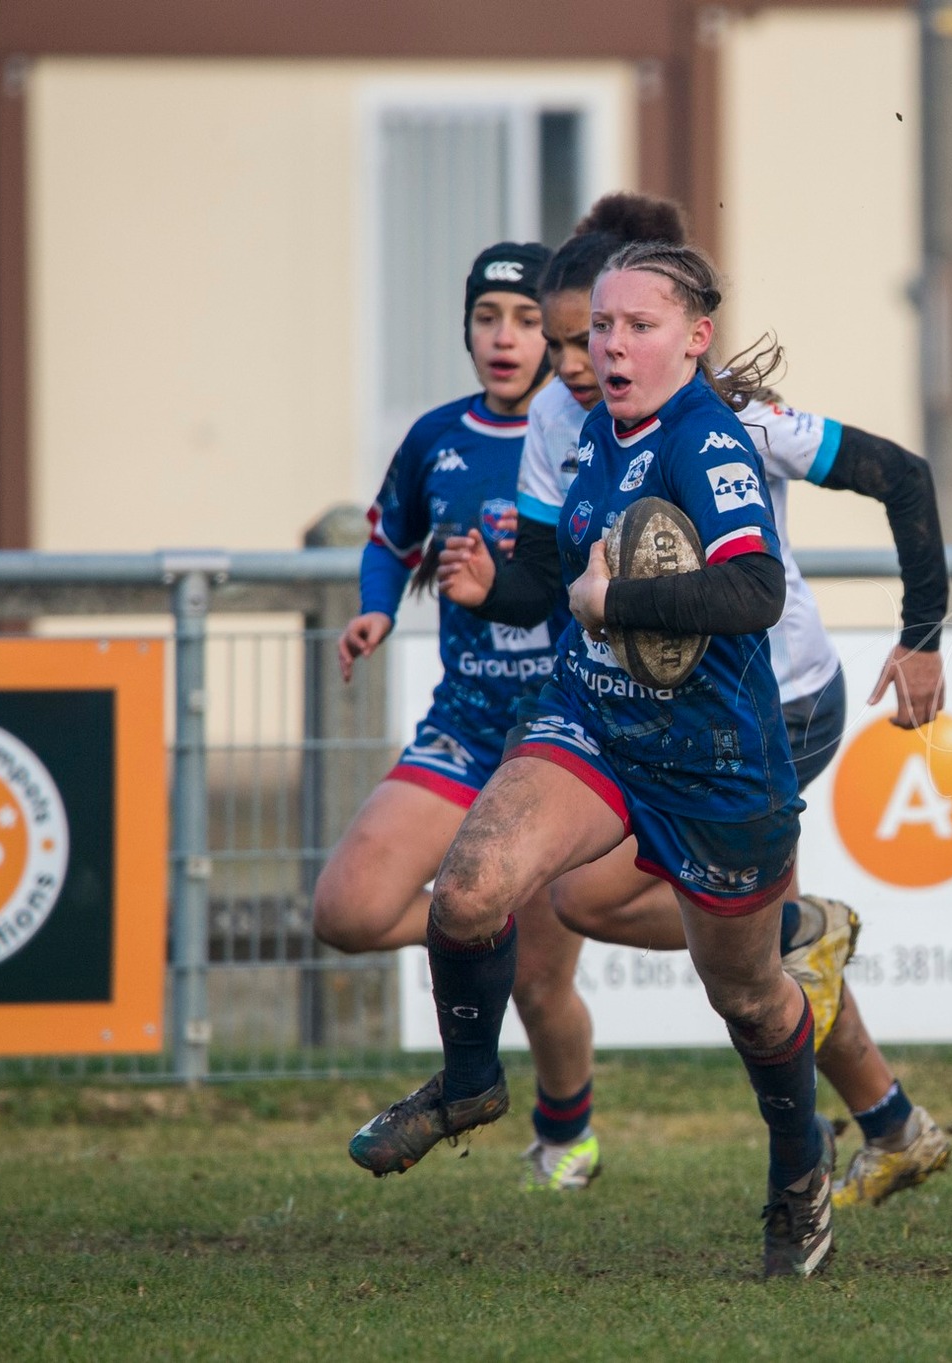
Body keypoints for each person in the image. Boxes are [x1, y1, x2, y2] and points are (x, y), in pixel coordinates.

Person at [440, 193, 952, 1206]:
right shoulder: (556, 421)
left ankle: (853, 1069)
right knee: (683, 933)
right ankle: (891, 1120)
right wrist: (487, 587)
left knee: (727, 956)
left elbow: (901, 474)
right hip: (647, 706)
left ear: (672, 335)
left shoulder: (733, 416)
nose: (584, 359)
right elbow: (555, 582)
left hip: (779, 695)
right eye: (573, 338)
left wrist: (924, 632)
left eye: (612, 331)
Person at [348, 240, 838, 1278]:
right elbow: (553, 582)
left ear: (694, 338)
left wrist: (614, 601)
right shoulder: (582, 430)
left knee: (748, 998)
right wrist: (499, 587)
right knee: (471, 889)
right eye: (599, 326)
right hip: (592, 722)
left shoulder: (705, 445)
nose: (608, 346)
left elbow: (750, 593)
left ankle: (801, 1168)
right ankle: (472, 1080)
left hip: (715, 763)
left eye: (636, 326)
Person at [312, 241, 608, 1192]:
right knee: (347, 911)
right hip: (467, 723)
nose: (508, 338)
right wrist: (375, 606)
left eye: (529, 321)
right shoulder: (436, 437)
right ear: (467, 330)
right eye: (490, 318)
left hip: (557, 735)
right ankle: (477, 917)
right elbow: (388, 535)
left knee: (540, 984)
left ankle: (569, 1135)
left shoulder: (586, 434)